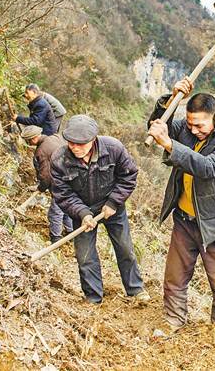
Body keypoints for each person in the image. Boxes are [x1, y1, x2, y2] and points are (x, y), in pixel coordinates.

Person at [147, 77, 215, 331]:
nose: (193, 131)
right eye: (190, 124)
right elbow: (161, 126)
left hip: (214, 224)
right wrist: (170, 101)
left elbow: (208, 167)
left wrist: (169, 144)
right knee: (174, 278)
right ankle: (173, 320)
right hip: (183, 219)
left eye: (199, 125)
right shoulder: (187, 130)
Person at [51, 115, 149, 304]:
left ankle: (135, 289)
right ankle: (93, 298)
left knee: (125, 248)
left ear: (93, 139)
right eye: (71, 143)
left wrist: (113, 203)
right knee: (85, 256)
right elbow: (62, 194)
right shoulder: (59, 159)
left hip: (112, 207)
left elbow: (128, 177)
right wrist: (83, 213)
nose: (75, 147)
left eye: (81, 144)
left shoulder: (113, 149)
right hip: (81, 210)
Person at [20, 125, 73, 243]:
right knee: (68, 207)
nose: (28, 143)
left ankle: (56, 239)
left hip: (60, 182)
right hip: (72, 177)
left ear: (33, 138)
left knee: (55, 212)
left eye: (28, 140)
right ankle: (71, 232)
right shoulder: (54, 137)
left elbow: (46, 175)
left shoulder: (41, 152)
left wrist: (41, 187)